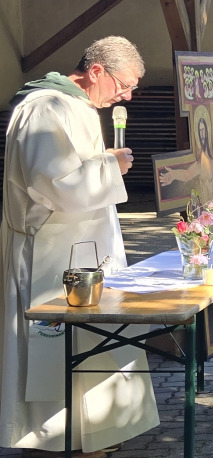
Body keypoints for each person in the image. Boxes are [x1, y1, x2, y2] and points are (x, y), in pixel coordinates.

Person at [1, 36, 151, 457]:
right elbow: (53, 183)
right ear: (96, 71)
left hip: (83, 248)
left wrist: (106, 166)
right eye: (124, 85)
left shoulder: (80, 106)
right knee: (56, 345)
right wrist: (110, 166)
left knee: (95, 340)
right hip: (50, 251)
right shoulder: (44, 108)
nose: (127, 96)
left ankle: (95, 432)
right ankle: (54, 436)